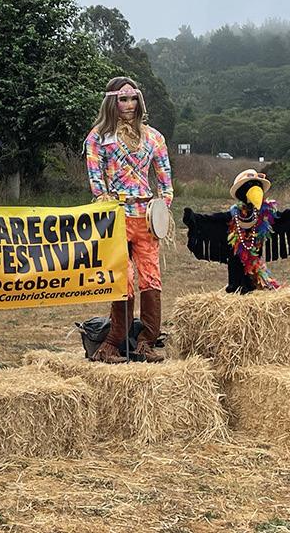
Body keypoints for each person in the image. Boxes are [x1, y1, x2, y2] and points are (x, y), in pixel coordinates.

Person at [83, 76, 173, 363]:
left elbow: (165, 180)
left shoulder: (154, 137)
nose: (129, 104)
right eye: (123, 99)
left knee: (151, 278)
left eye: (133, 98)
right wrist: (105, 205)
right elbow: (96, 181)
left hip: (146, 219)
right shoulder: (98, 137)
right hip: (117, 217)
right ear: (112, 102)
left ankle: (146, 342)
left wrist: (162, 209)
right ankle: (113, 343)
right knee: (124, 278)